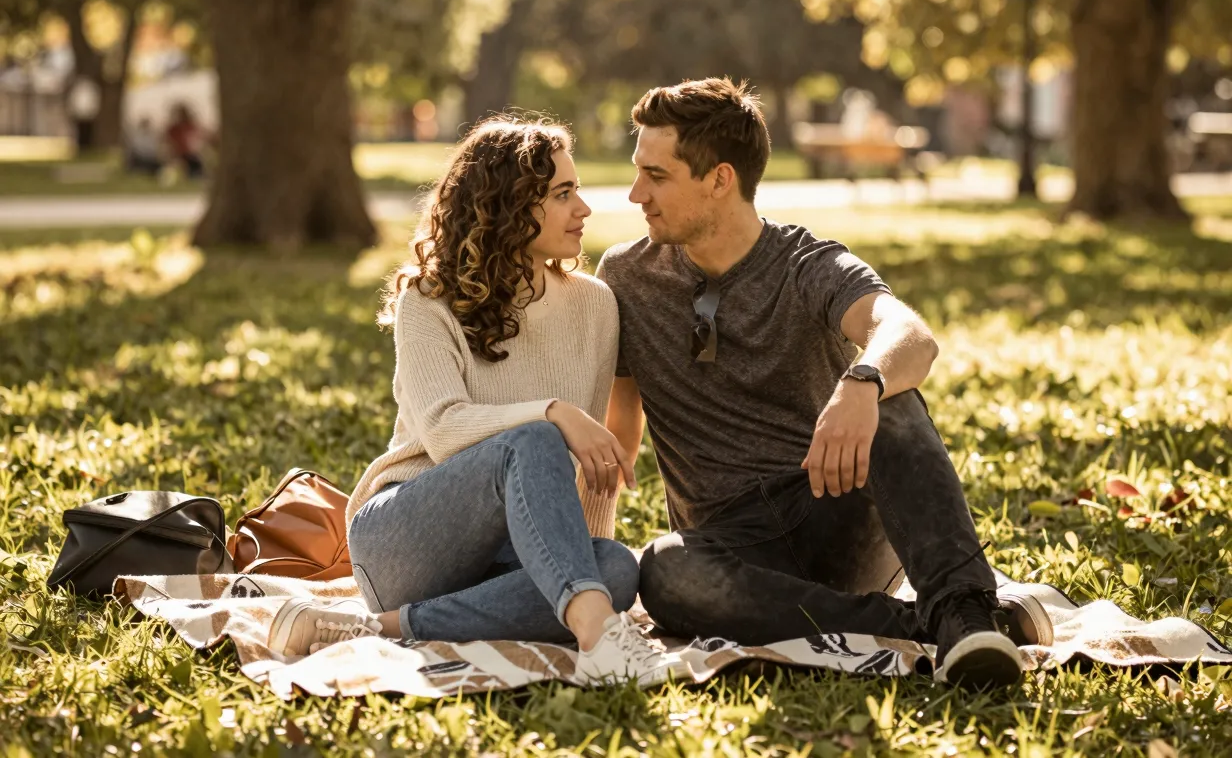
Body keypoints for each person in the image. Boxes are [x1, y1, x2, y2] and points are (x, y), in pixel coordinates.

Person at [596, 77, 1044, 690]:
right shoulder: (625, 275)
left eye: (657, 175)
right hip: (732, 551)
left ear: (720, 179)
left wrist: (862, 381)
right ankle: (929, 624)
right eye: (637, 172)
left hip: (838, 520)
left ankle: (965, 613)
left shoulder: (808, 263)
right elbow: (617, 432)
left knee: (891, 392)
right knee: (665, 569)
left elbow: (909, 333)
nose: (635, 193)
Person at [267, 115, 680, 686]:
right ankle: (600, 638)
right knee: (534, 438)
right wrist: (552, 411)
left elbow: (586, 474)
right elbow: (442, 430)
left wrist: (578, 558)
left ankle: (382, 628)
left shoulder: (595, 307)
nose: (583, 209)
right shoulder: (428, 299)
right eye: (563, 194)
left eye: (577, 191)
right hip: (405, 537)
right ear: (507, 205)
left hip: (514, 550)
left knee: (613, 569)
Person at [164, 103, 205, 178]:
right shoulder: (174, 129)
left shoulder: (190, 126)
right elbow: (168, 143)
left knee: (196, 162)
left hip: (190, 154)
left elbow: (197, 140)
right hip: (178, 154)